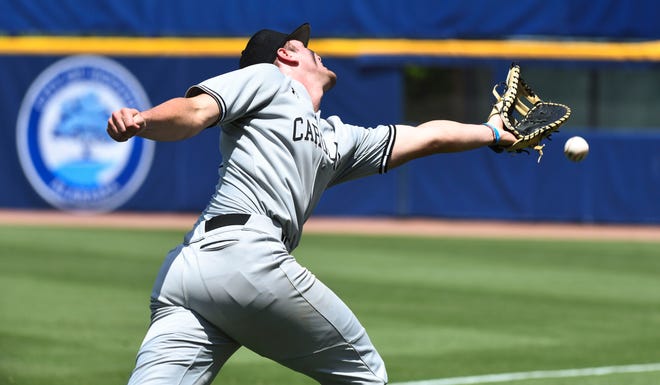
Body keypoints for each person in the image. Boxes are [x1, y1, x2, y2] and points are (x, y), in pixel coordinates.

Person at [107, 23, 515, 385]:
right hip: (244, 255)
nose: (311, 47)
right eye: (301, 44)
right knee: (367, 375)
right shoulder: (267, 79)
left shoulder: (336, 140)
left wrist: (491, 131)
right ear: (285, 54)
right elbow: (196, 110)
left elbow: (427, 136)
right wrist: (144, 121)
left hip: (189, 273)